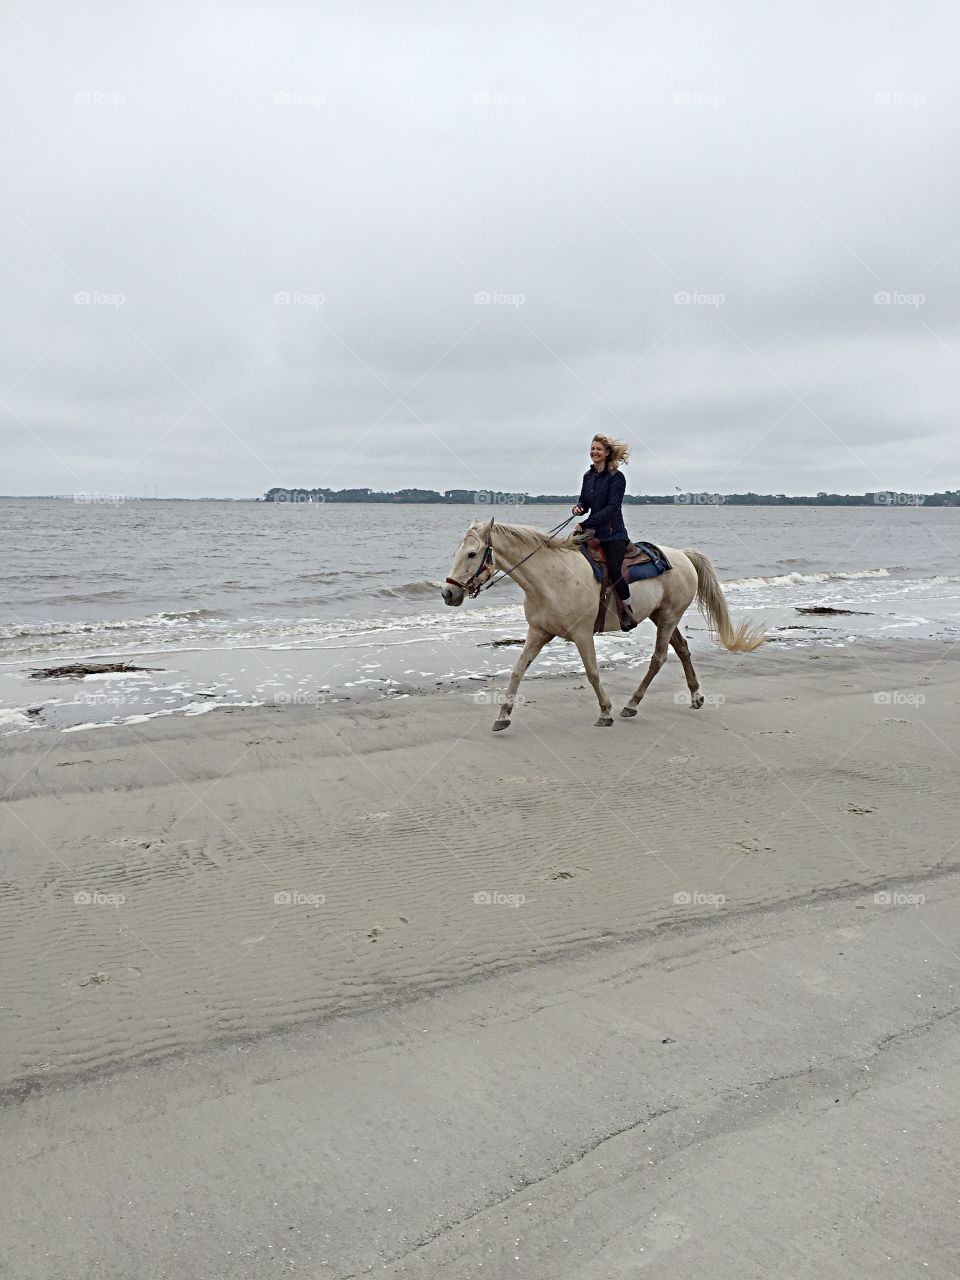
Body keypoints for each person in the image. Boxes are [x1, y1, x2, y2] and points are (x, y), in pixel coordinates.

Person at [572, 434, 639, 631]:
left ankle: (627, 611)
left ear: (607, 453)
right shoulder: (588, 476)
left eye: (598, 449)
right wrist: (578, 509)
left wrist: (586, 523)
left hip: (613, 534)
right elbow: (585, 502)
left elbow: (612, 507)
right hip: (593, 530)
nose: (594, 452)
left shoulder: (617, 477)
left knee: (615, 570)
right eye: (592, 448)